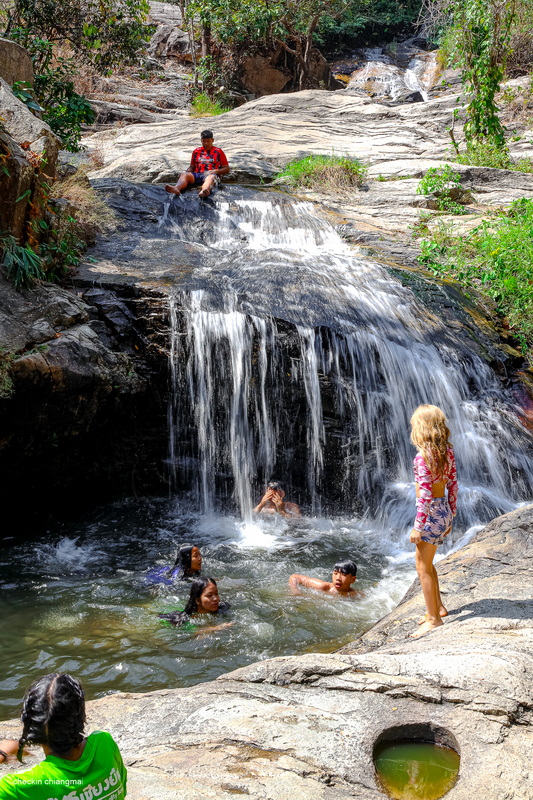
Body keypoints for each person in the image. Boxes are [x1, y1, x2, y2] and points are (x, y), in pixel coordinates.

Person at [0, 673, 126, 799]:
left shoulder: (18, 786)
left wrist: (2, 753)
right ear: (81, 716)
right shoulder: (104, 742)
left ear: (30, 723)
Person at [409, 404, 458, 637]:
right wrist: (451, 515)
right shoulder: (447, 452)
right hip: (443, 511)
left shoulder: (422, 458)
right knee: (428, 563)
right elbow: (453, 485)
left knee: (422, 566)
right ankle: (438, 607)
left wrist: (418, 527)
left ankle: (433, 619)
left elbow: (425, 495)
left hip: (429, 515)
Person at [165, 130, 230, 198]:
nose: (206, 143)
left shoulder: (218, 151)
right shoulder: (197, 151)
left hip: (211, 175)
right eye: (203, 141)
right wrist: (186, 173)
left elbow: (227, 169)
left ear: (212, 140)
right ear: (201, 141)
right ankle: (177, 188)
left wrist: (215, 171)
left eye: (208, 141)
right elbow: (192, 167)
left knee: (211, 177)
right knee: (185, 175)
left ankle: (204, 190)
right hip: (198, 175)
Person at [158, 576, 232, 633]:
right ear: (197, 600)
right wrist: (217, 628)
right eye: (209, 595)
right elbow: (195, 633)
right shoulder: (186, 619)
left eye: (216, 594)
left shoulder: (223, 608)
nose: (216, 599)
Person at [289, 560, 360, 596]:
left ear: (352, 579)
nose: (338, 578)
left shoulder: (355, 595)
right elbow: (295, 577)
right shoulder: (323, 587)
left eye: (343, 575)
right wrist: (295, 591)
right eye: (335, 573)